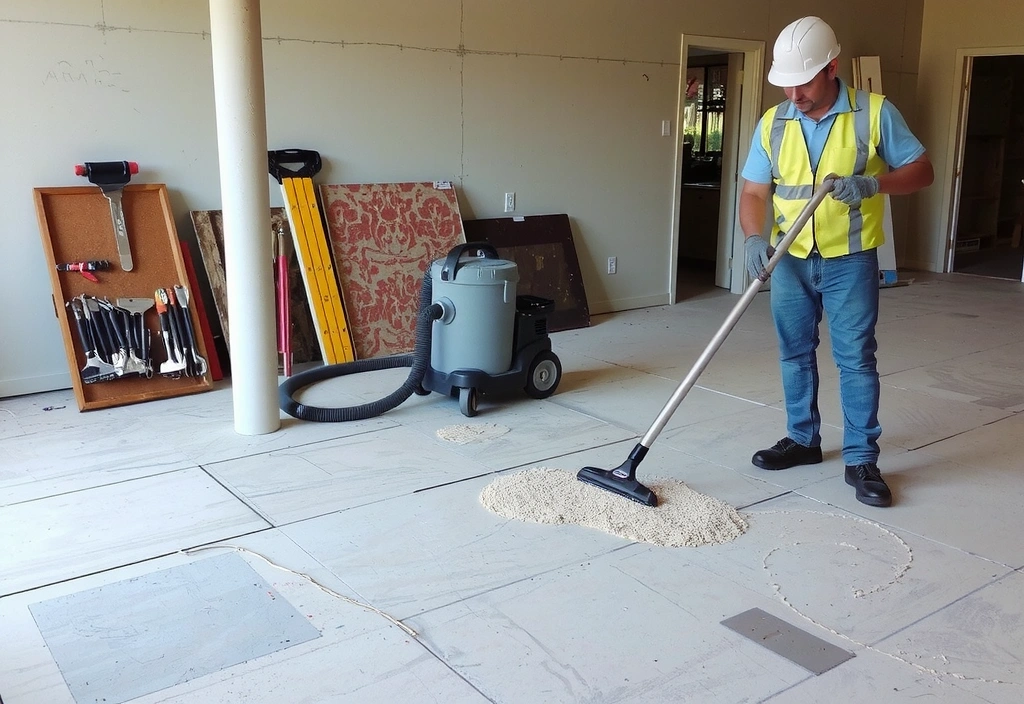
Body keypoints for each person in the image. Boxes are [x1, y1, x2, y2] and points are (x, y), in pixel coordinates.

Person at [739, 16, 934, 507]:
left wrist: (875, 183)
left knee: (855, 360)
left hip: (850, 259)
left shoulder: (874, 112)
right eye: (786, 83)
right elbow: (754, 192)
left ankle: (861, 457)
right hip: (789, 257)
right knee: (794, 354)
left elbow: (922, 170)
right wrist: (752, 238)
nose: (794, 94)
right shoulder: (773, 122)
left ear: (832, 68)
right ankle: (803, 440)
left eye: (803, 81)